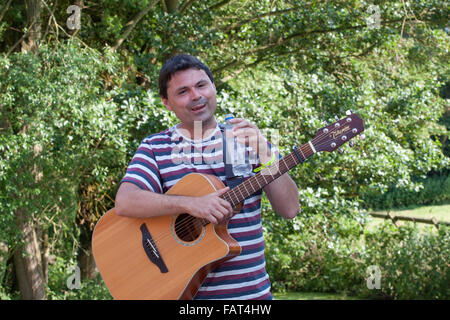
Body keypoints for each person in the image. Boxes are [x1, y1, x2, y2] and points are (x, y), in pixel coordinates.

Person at [115, 54, 300, 300]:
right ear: (166, 103)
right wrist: (191, 204)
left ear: (213, 87)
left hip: (253, 298)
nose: (196, 96)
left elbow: (290, 209)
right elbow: (125, 201)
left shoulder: (249, 139)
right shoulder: (155, 147)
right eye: (183, 91)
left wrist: (266, 154)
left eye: (201, 85)